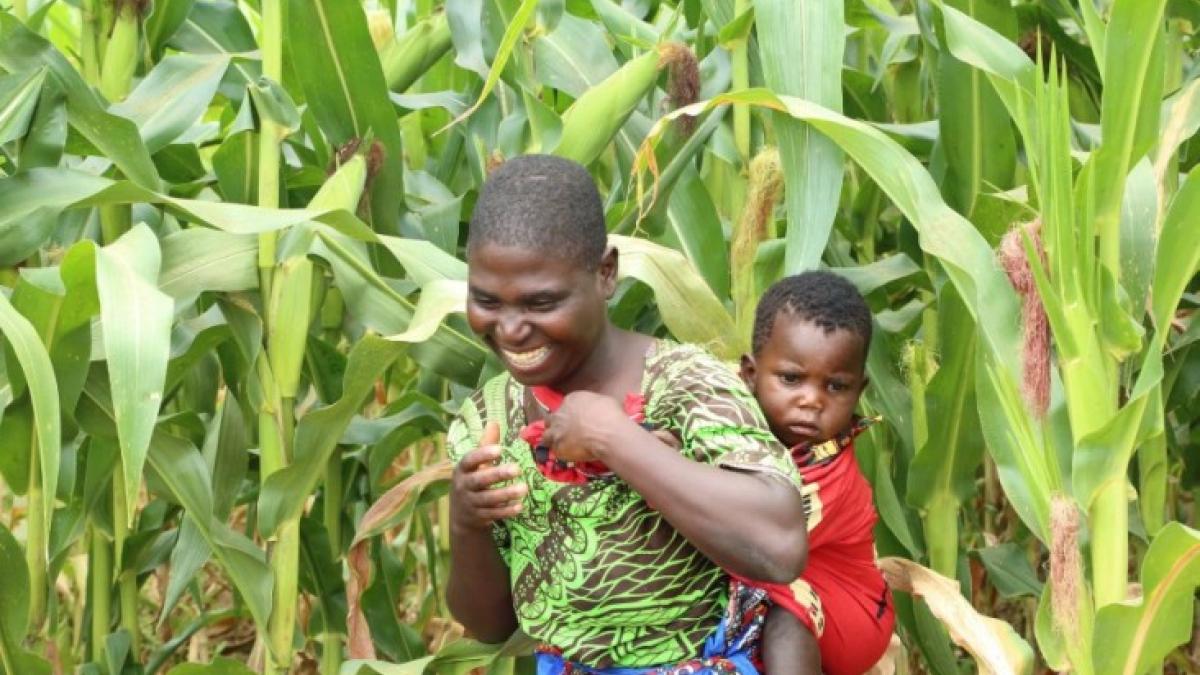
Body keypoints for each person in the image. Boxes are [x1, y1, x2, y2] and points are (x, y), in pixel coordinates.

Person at [444, 154, 809, 674]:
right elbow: (490, 626)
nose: (510, 329)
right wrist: (466, 522)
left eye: (541, 303)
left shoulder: (686, 384)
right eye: (486, 300)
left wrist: (615, 438)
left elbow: (780, 546)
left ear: (606, 273)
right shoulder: (486, 418)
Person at [739, 272, 896, 675]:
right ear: (750, 375)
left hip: (851, 614)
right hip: (804, 580)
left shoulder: (828, 474)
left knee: (782, 615)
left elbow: (752, 540)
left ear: (858, 391)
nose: (812, 400)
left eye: (836, 387)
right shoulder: (736, 425)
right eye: (791, 379)